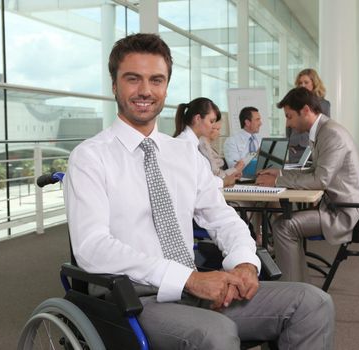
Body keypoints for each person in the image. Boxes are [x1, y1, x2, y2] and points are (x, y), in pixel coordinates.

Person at [64, 33, 334, 349]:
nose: (145, 90)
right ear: (114, 85)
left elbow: (222, 218)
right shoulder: (90, 157)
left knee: (312, 304)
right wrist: (189, 280)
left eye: (156, 80)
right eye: (133, 79)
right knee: (216, 334)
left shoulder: (183, 154)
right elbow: (93, 247)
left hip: (197, 291)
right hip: (135, 301)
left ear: (166, 87)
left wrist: (244, 262)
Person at [257, 87, 359, 283]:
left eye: (289, 116)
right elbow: (314, 171)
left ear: (305, 110)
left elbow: (321, 180)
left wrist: (277, 181)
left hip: (348, 213)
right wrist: (281, 172)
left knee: (284, 226)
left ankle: (294, 291)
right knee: (285, 224)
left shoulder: (331, 134)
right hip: (340, 205)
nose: (288, 123)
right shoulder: (324, 130)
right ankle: (300, 287)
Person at [174, 97, 242, 188]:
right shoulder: (184, 145)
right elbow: (198, 183)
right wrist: (223, 182)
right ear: (198, 119)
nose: (213, 126)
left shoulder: (193, 144)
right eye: (211, 121)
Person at [287, 68, 331, 163]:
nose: (302, 85)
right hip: (294, 149)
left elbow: (325, 129)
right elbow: (289, 125)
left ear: (314, 83)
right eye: (300, 83)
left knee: (310, 176)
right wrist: (288, 143)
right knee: (292, 177)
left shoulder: (324, 104)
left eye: (306, 82)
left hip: (312, 149)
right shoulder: (293, 103)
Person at [197, 119, 245, 184]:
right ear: (210, 128)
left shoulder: (206, 145)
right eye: (218, 129)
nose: (219, 133)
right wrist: (235, 169)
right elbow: (216, 174)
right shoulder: (204, 145)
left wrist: (234, 173)